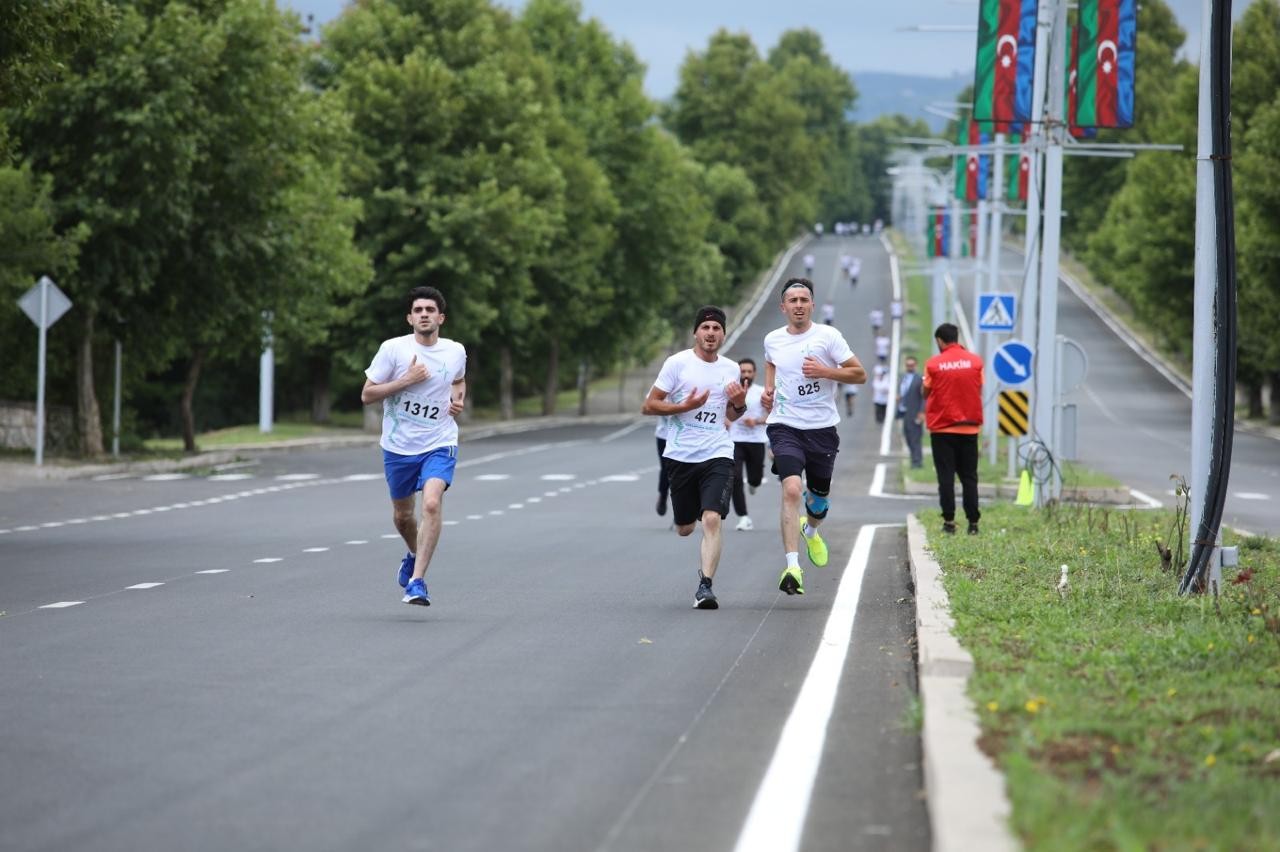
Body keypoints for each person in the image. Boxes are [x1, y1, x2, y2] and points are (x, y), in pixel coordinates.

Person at [361, 286, 467, 606]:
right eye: (418, 310)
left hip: (440, 439)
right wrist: (406, 380)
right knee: (402, 516)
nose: (424, 314)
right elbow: (367, 394)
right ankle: (411, 553)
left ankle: (417, 582)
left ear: (441, 318)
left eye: (430, 310)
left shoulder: (455, 351)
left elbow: (459, 379)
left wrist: (458, 397)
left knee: (432, 504)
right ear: (410, 318)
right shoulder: (393, 350)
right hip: (398, 445)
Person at [761, 278, 867, 595]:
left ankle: (811, 529)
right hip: (785, 425)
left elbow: (859, 374)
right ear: (783, 307)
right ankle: (792, 567)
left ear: (812, 305)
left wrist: (825, 372)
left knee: (817, 503)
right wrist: (769, 393)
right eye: (792, 300)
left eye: (803, 300)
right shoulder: (773, 340)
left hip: (821, 430)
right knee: (792, 489)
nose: (798, 305)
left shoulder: (829, 337)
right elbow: (771, 366)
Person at [642, 306, 747, 609]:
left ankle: (706, 587)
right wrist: (683, 406)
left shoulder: (730, 368)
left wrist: (739, 404)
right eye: (706, 328)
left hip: (717, 451)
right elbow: (649, 406)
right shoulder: (677, 364)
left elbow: (731, 414)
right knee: (686, 527)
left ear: (724, 334)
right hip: (681, 455)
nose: (711, 333)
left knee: (712, 518)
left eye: (717, 328)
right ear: (696, 332)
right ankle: (684, 519)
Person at [922, 323, 984, 535]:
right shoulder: (976, 362)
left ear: (940, 340)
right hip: (969, 429)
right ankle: (973, 523)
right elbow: (979, 386)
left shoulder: (933, 364)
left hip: (942, 430)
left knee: (946, 477)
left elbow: (926, 391)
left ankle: (949, 521)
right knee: (969, 477)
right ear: (957, 338)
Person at [729, 358, 768, 531]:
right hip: (735, 440)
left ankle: (754, 484)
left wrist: (757, 421)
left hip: (756, 440)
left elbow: (772, 416)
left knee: (755, 478)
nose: (745, 375)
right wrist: (726, 421)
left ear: (754, 373)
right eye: (742, 371)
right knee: (735, 478)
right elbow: (721, 410)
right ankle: (743, 517)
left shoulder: (762, 392)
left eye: (748, 371)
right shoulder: (731, 392)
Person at [897, 355, 925, 468]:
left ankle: (917, 462)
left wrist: (922, 412)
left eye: (912, 365)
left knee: (915, 438)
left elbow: (924, 397)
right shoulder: (903, 378)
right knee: (907, 436)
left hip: (915, 412)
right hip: (904, 411)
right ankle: (914, 458)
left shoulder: (920, 378)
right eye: (908, 365)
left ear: (916, 365)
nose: (910, 367)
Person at [654, 416, 671, 516]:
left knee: (688, 469)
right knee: (666, 468)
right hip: (665, 435)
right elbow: (650, 406)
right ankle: (663, 495)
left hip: (688, 437)